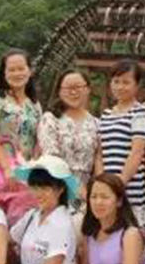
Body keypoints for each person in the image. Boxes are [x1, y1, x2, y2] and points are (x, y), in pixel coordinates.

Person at [0, 48, 42, 226]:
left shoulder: (34, 104)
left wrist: (35, 168)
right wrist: (7, 168)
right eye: (12, 69)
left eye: (21, 68)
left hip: (26, 170)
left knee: (24, 220)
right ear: (4, 73)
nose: (17, 73)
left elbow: (37, 141)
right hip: (2, 169)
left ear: (30, 71)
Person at [96, 59, 145, 228]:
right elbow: (99, 153)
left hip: (131, 189)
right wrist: (102, 183)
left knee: (131, 233)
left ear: (137, 85)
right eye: (116, 81)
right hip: (107, 191)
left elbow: (137, 152)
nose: (120, 87)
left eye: (126, 82)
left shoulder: (141, 113)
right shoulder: (106, 115)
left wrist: (119, 184)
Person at [38, 69, 99, 209]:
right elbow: (51, 158)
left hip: (88, 193)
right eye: (68, 88)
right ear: (59, 91)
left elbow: (98, 160)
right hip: (58, 189)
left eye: (78, 87)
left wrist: (95, 190)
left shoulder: (96, 123)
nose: (73, 92)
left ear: (88, 89)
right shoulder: (50, 119)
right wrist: (75, 187)